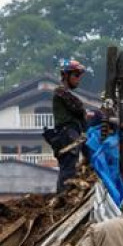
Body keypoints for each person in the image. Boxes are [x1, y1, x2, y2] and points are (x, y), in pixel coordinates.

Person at [50, 59, 89, 192]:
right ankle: (63, 197)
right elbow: (79, 108)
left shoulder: (65, 94)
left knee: (73, 167)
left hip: (71, 134)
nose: (78, 79)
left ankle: (66, 193)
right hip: (67, 135)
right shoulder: (60, 92)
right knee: (68, 169)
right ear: (66, 76)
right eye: (76, 75)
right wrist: (85, 113)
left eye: (79, 76)